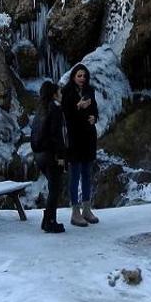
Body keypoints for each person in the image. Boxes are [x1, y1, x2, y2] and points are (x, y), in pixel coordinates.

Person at [62, 63, 99, 227]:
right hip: (74, 137)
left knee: (87, 174)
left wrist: (94, 118)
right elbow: (66, 115)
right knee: (75, 174)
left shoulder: (90, 91)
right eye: (79, 76)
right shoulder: (67, 92)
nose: (82, 79)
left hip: (89, 136)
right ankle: (75, 211)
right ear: (73, 77)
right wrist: (78, 107)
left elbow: (95, 109)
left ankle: (87, 208)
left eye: (84, 76)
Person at [35, 80, 68, 234]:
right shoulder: (55, 109)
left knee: (52, 187)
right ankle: (50, 222)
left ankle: (46, 219)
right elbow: (56, 135)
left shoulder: (40, 109)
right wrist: (61, 156)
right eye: (60, 92)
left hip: (39, 155)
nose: (61, 95)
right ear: (54, 94)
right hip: (50, 155)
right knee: (55, 188)